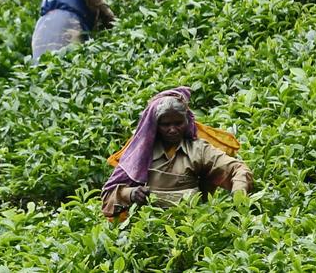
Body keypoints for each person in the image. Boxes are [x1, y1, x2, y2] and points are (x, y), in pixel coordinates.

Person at [101, 87, 253, 220]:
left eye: (178, 123)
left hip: (191, 222)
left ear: (187, 122)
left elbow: (238, 169)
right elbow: (108, 196)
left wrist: (238, 197)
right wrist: (131, 193)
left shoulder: (198, 150)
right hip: (148, 227)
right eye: (165, 124)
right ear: (155, 125)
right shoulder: (139, 154)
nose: (172, 129)